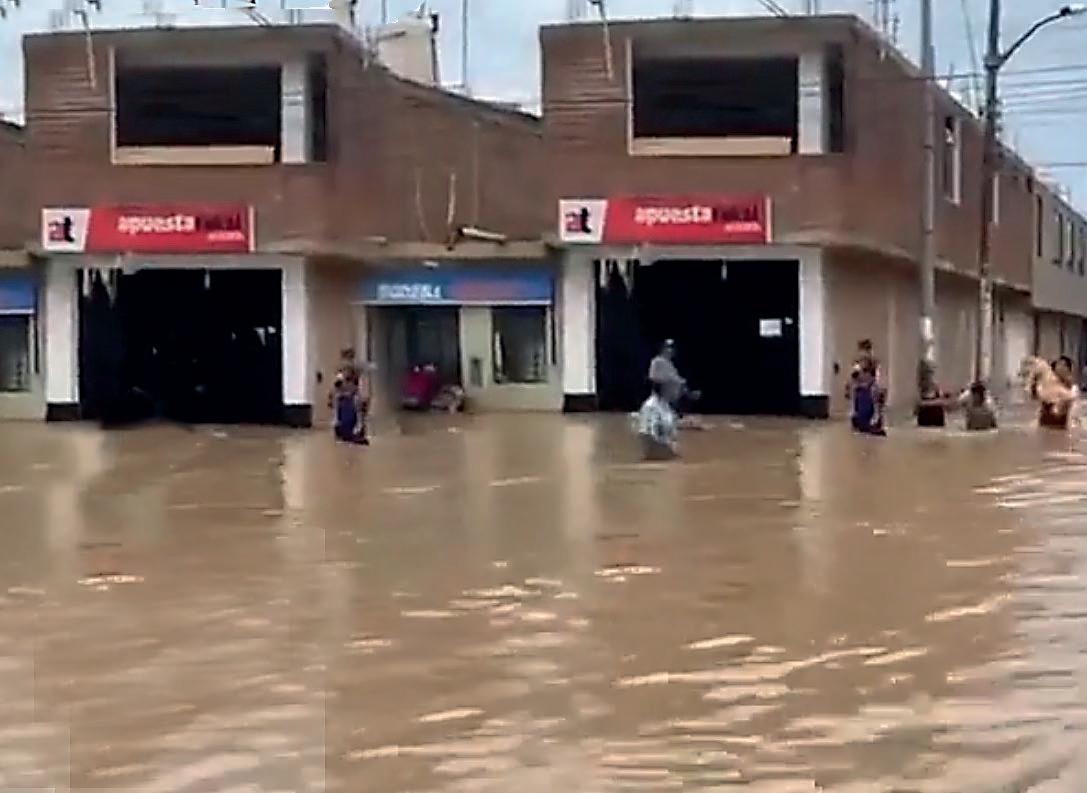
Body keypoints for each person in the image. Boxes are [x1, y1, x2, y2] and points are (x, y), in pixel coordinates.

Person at [636, 380, 678, 460]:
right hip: (656, 458)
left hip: (667, 455)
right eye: (673, 386)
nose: (676, 390)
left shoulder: (665, 405)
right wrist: (668, 448)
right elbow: (647, 437)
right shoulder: (650, 407)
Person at [849, 356, 886, 436]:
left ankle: (871, 425)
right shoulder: (857, 381)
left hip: (869, 401)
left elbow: (876, 404)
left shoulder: (873, 383)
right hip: (862, 401)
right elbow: (854, 388)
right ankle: (864, 425)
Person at [1039, 355, 1079, 429]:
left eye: (1064, 365)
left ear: (1068, 369)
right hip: (1046, 423)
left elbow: (1073, 410)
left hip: (1061, 425)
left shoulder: (1072, 388)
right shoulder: (1048, 383)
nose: (1061, 368)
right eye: (1059, 365)